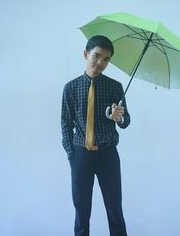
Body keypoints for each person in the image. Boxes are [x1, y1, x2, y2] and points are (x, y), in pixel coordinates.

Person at [61, 35, 130, 236]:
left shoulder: (115, 87)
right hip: (81, 155)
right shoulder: (71, 88)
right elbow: (65, 123)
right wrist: (71, 154)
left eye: (106, 59)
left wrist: (119, 117)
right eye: (96, 56)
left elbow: (126, 122)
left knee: (115, 210)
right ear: (86, 54)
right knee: (81, 212)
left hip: (108, 155)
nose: (100, 63)